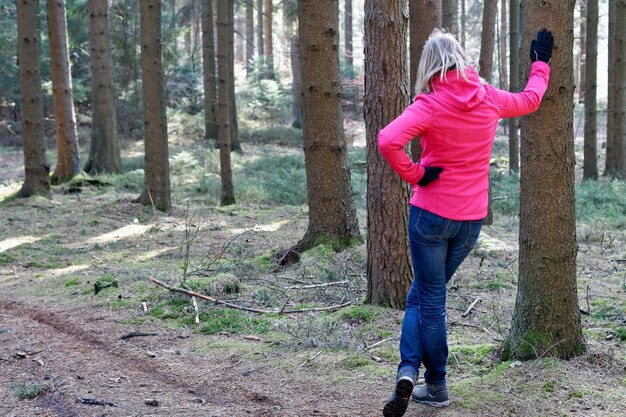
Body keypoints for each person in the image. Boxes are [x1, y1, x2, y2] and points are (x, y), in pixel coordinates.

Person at [379, 28, 554, 417]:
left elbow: (387, 139)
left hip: (429, 217)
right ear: (460, 58)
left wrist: (416, 174)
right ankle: (417, 377)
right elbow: (529, 100)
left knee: (427, 300)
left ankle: (427, 380)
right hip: (470, 221)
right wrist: (540, 63)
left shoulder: (429, 104)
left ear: (430, 65)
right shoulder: (488, 96)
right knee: (426, 298)